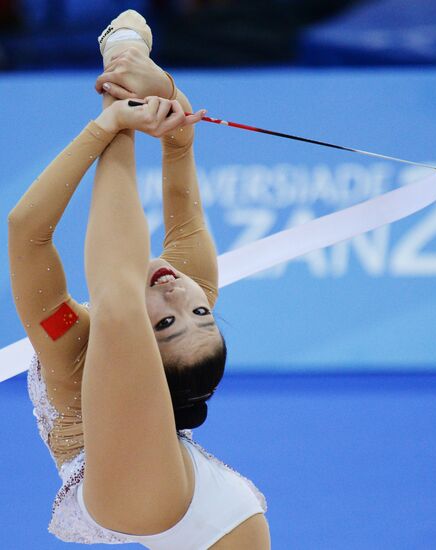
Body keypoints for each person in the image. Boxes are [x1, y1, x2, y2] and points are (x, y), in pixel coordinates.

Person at [8, 9, 270, 549]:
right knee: (124, 303)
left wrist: (111, 122)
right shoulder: (175, 288)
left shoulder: (74, 346)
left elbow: (26, 233)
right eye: (202, 313)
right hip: (193, 505)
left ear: (148, 364)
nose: (181, 293)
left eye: (169, 322)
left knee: (120, 303)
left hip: (149, 500)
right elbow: (181, 197)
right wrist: (168, 110)